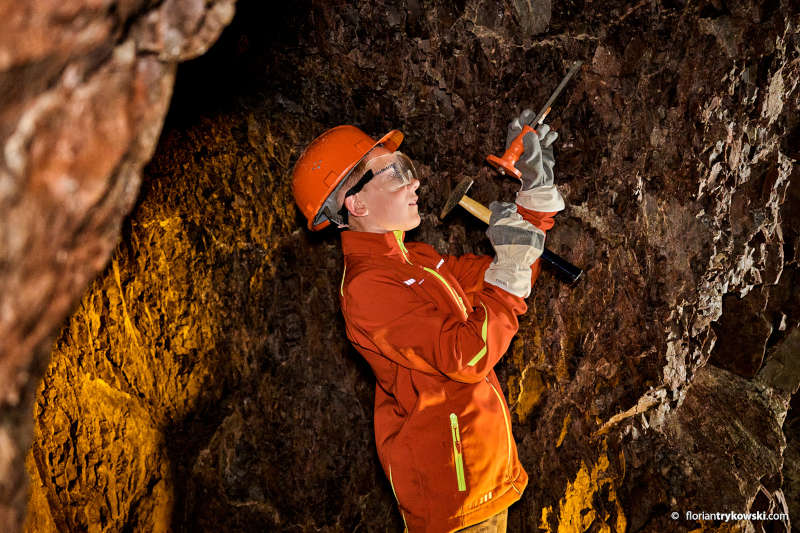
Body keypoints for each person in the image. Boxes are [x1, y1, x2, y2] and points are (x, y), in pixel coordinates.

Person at [291, 109, 564, 533]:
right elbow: (469, 352)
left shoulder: (414, 259)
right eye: (394, 173)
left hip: (485, 472)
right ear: (356, 202)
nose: (414, 180)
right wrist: (511, 266)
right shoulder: (369, 289)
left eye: (407, 168)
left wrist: (534, 196)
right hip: (455, 496)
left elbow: (502, 279)